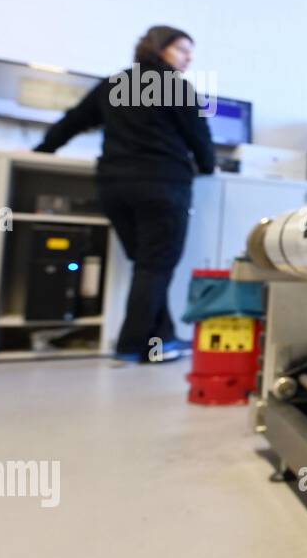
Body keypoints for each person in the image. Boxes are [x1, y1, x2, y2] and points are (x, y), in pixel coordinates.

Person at [35, 25, 215, 363]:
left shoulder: (114, 83)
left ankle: (163, 339)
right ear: (158, 49)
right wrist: (207, 167)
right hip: (161, 184)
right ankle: (131, 345)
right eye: (182, 49)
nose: (189, 57)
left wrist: (43, 150)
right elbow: (199, 136)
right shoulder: (176, 86)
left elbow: (74, 120)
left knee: (148, 266)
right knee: (155, 266)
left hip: (114, 186)